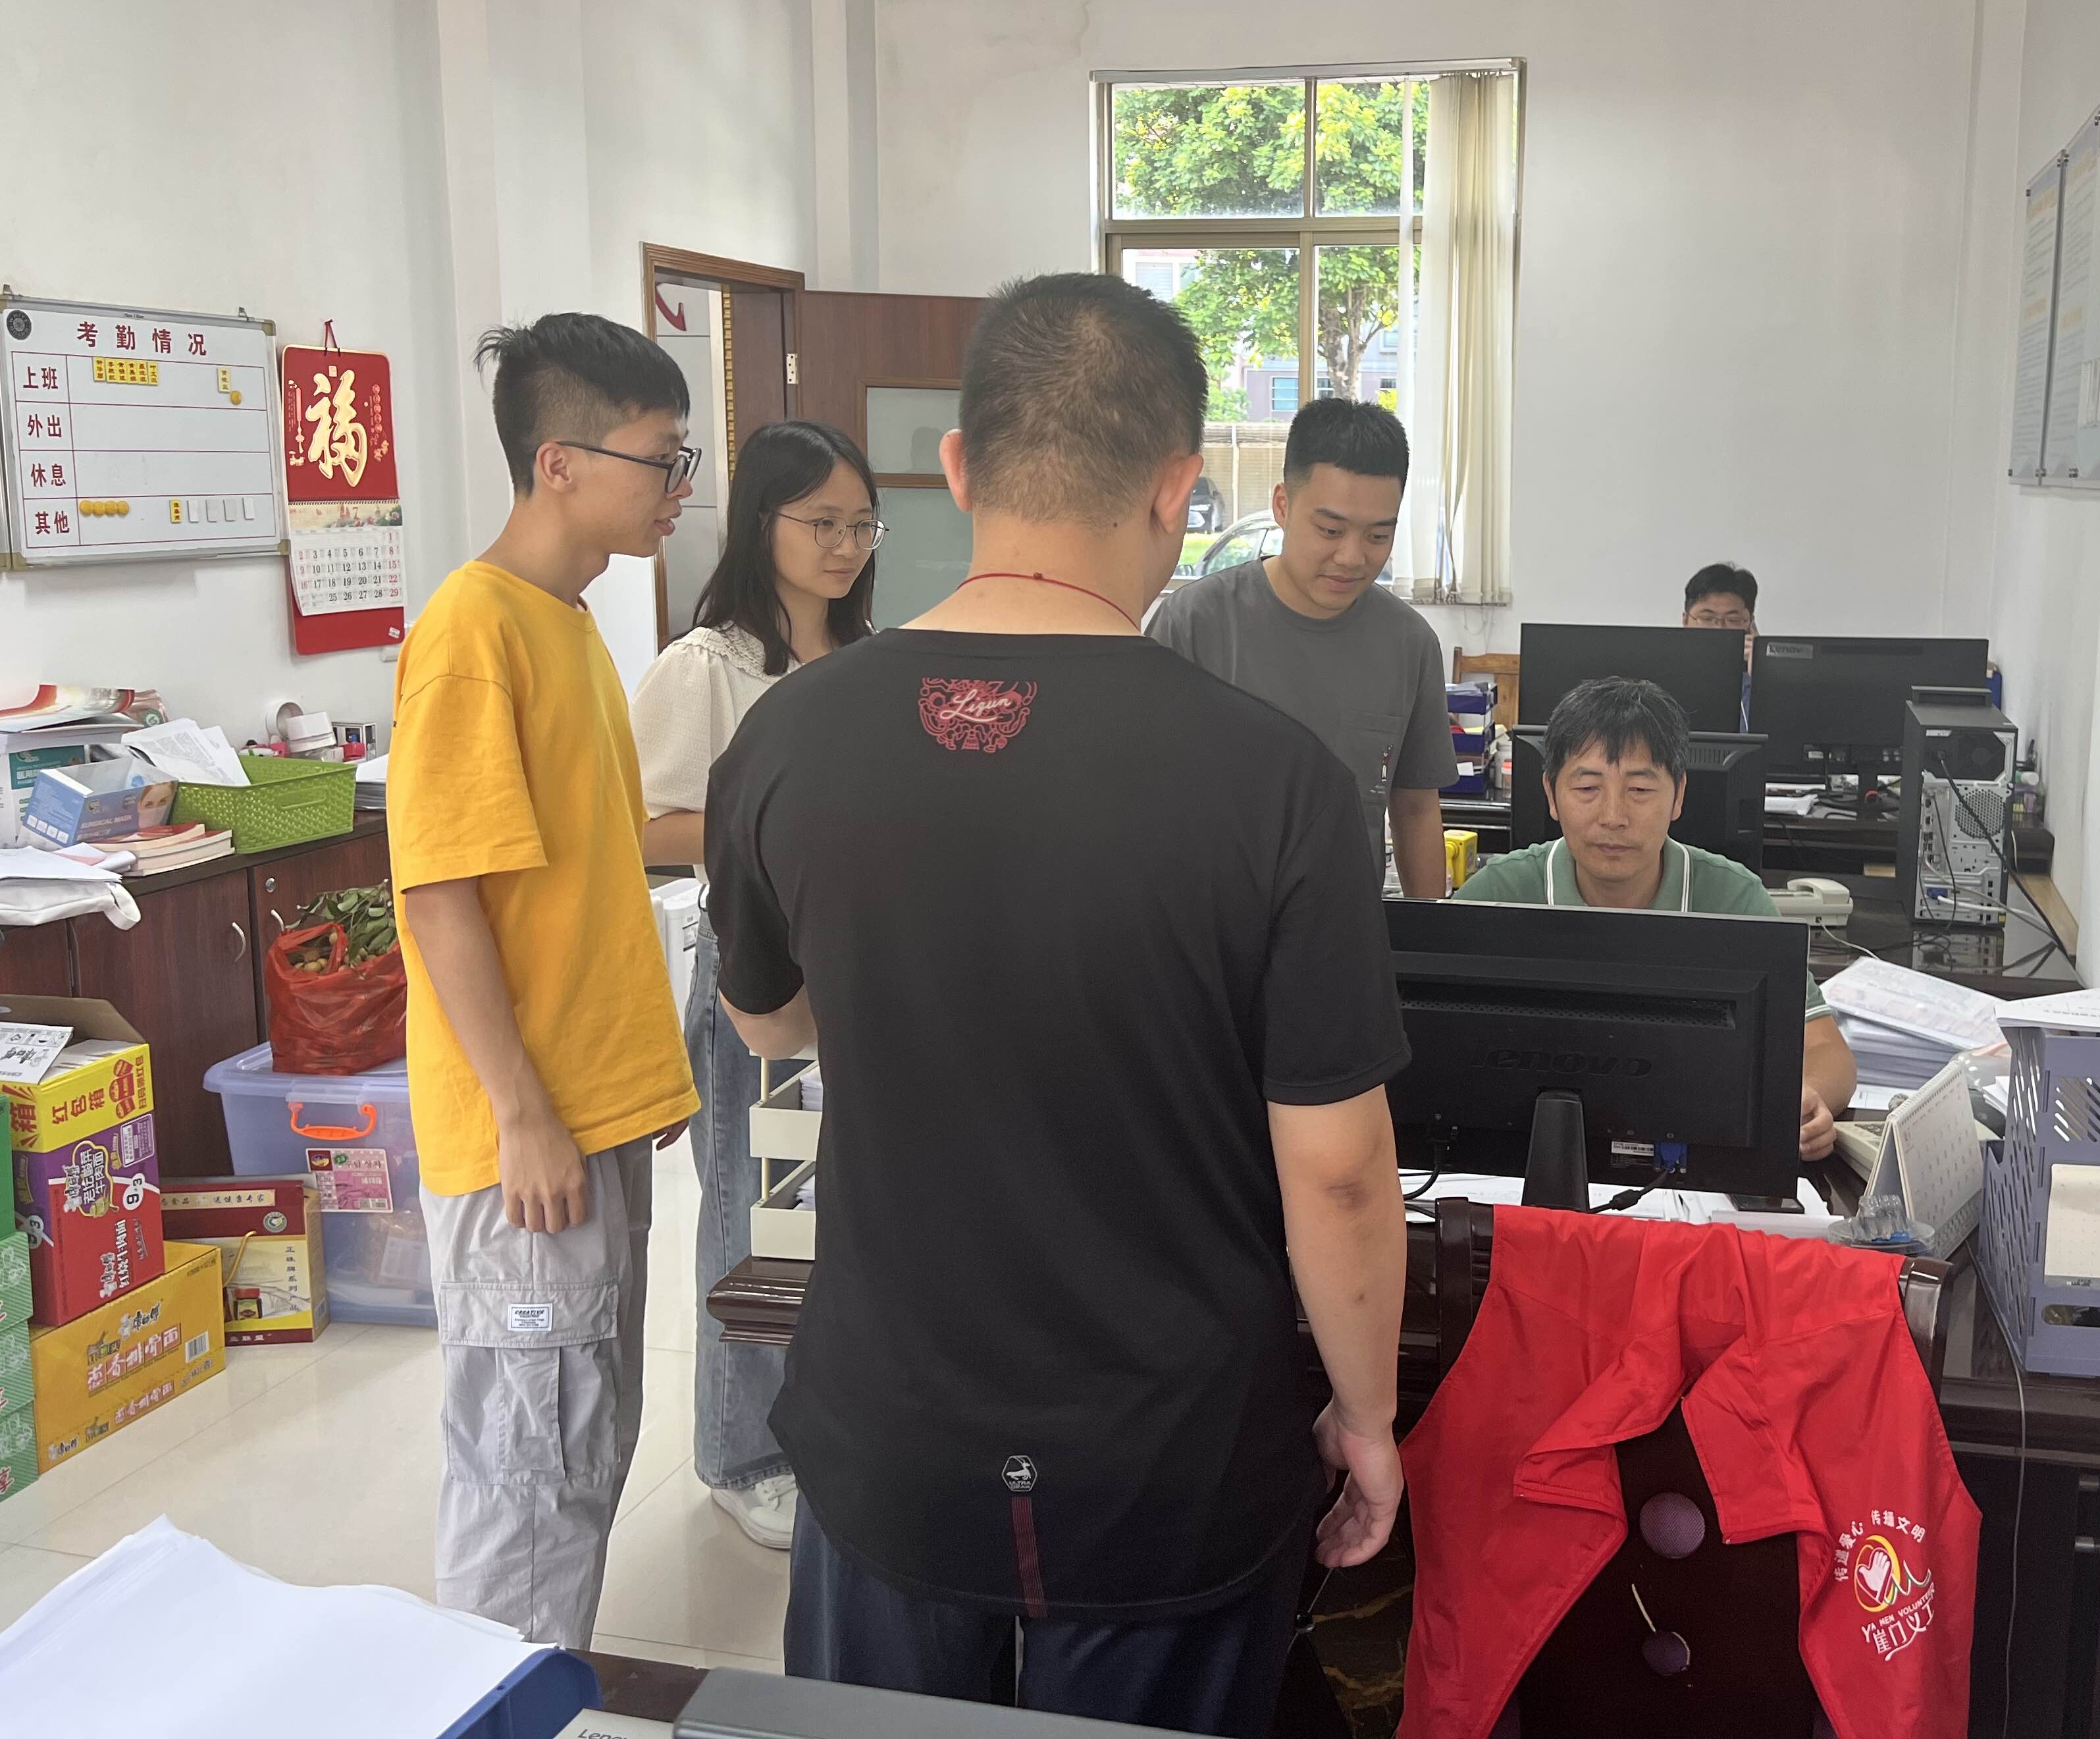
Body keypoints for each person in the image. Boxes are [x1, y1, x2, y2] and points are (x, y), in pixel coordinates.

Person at [705, 273, 1409, 1736]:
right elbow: (1339, 1172)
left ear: (960, 468)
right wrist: (1366, 1416)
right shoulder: (1276, 783)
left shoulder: (785, 735)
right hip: (1170, 1453)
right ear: (1177, 491)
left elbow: (768, 1024)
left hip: (890, 1430)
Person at [388, 314, 702, 1646]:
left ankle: (531, 1690)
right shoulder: (474, 630)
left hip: (588, 1113)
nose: (678, 485)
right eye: (661, 457)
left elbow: (588, 874)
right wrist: (521, 1110)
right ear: (560, 461)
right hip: (528, 1134)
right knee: (529, 1477)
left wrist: (630, 1083)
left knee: (582, 1444)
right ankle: (491, 1710)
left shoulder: (569, 625)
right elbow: (440, 894)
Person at [629, 421, 879, 1553]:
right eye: (821, 522)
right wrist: (785, 821)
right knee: (758, 1215)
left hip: (856, 973)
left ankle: (816, 1427)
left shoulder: (869, 660)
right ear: (761, 523)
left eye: (861, 525)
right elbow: (643, 823)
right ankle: (741, 1453)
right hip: (754, 973)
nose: (845, 545)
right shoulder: (708, 665)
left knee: (834, 1216)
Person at [1452, 677, 1857, 1160]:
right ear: (1552, 795)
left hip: (1691, 1163)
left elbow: (1827, 1051)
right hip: (1520, 1158)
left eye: (1641, 789)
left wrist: (1807, 1100)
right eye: (1587, 787)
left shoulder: (1733, 899)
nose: (1613, 816)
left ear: (1679, 795)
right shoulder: (1498, 894)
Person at [1150, 396, 1453, 897]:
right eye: (1330, 530)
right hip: (1208, 922)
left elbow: (1417, 808)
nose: (1352, 557)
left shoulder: (1410, 644)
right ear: (1282, 506)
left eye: (1378, 536)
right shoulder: (1194, 624)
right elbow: (1147, 798)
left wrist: (1433, 936)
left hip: (1344, 927)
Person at [1683, 562, 1758, 730]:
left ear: (1749, 625)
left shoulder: (1759, 683)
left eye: (1733, 620)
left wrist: (1761, 679)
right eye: (1707, 618)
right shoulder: (1658, 679)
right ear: (1685, 620)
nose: (1719, 629)